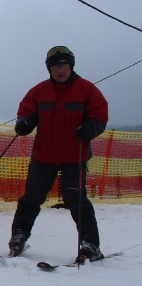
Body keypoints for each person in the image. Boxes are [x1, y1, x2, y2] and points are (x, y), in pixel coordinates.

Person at [9, 45, 109, 261]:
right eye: (55, 66)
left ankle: (90, 245)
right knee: (31, 199)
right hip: (44, 157)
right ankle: (18, 236)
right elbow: (26, 111)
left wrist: (91, 128)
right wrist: (24, 122)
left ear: (71, 65)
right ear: (49, 69)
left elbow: (100, 117)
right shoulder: (39, 91)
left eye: (63, 65)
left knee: (77, 201)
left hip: (75, 157)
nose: (59, 70)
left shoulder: (87, 89)